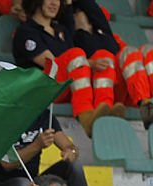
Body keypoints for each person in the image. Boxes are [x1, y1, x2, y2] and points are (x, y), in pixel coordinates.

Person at [13, 0, 112, 136]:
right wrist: (89, 63)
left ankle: (104, 110)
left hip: (65, 86)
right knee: (77, 54)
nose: (55, 3)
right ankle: (86, 117)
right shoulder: (25, 31)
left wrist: (91, 63)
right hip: (43, 88)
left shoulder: (61, 30)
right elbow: (51, 64)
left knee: (104, 56)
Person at [71, 0, 153, 129]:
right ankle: (103, 110)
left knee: (144, 50)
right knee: (104, 56)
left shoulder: (108, 36)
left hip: (124, 89)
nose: (81, 14)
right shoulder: (71, 39)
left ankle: (146, 104)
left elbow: (93, 10)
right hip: (96, 89)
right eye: (77, 12)